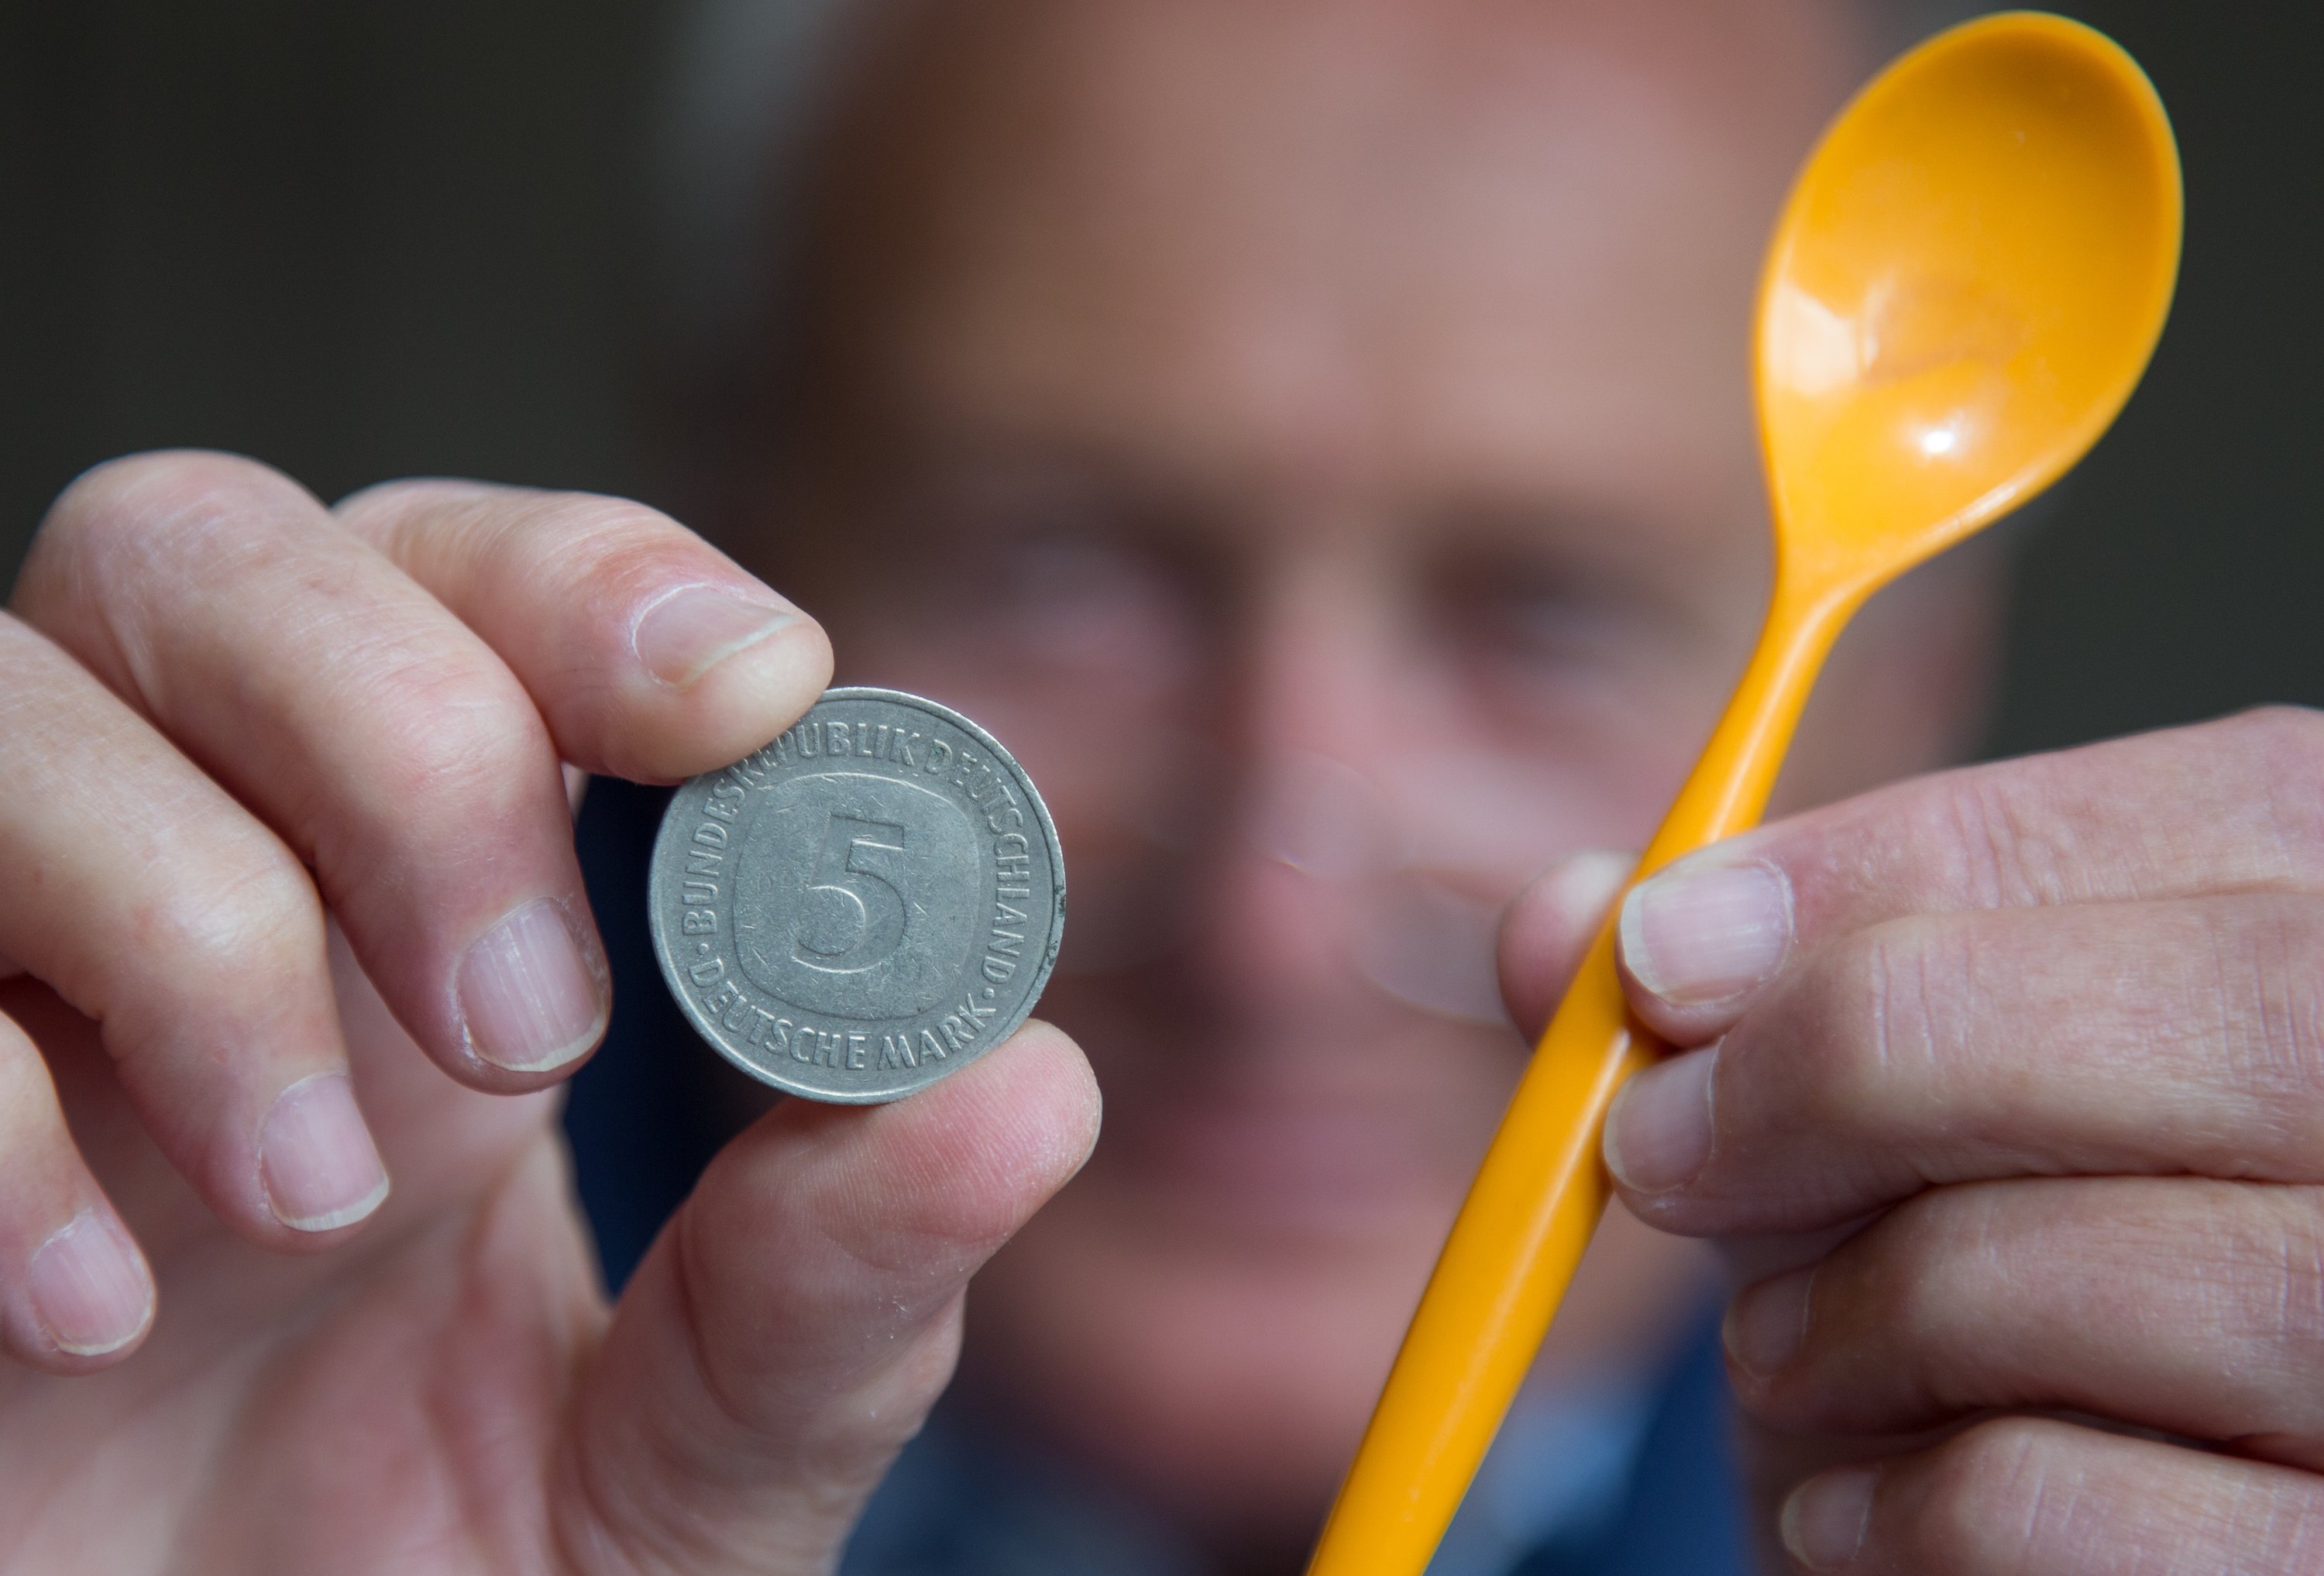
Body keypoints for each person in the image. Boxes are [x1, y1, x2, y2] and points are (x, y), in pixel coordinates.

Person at [0, 4, 2318, 1576]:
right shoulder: (230, 1243)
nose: (1271, 925)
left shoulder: (2140, 1463)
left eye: (1543, 613)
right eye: (1068, 563)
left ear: (1902, 707)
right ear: (723, 525)